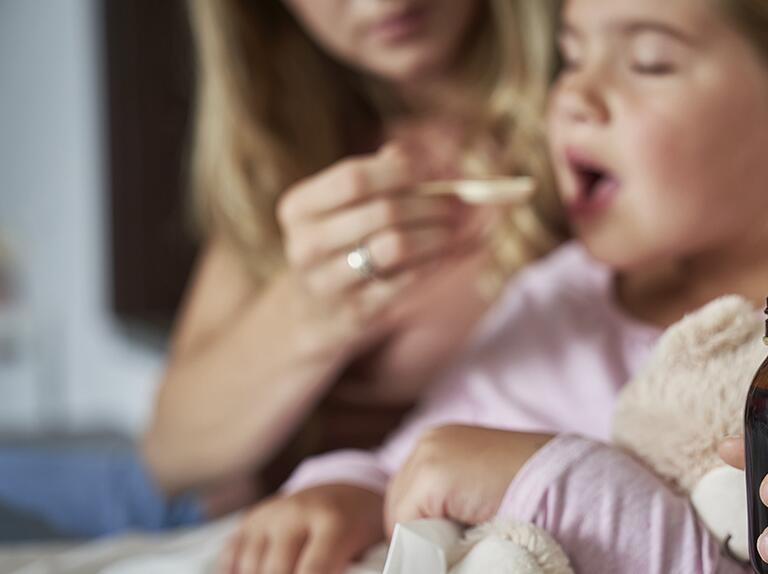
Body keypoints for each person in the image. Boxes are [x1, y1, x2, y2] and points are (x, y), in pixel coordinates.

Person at [219, 0, 768, 573]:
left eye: (648, 62)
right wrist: (342, 495)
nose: (572, 96)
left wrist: (547, 481)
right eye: (570, 55)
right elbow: (418, 458)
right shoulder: (556, 296)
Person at [0, 0, 565, 539]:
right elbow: (169, 452)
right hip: (191, 504)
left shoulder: (582, 140)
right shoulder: (293, 151)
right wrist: (316, 307)